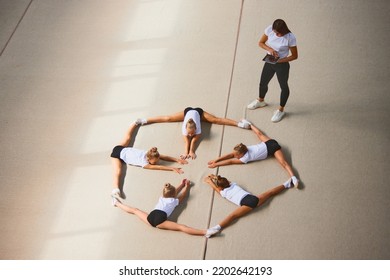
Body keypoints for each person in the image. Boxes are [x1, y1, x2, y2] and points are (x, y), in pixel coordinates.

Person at [135, 107, 252, 159]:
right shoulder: (184, 129)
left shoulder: (198, 129)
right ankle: (144, 120)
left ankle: (240, 124)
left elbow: (194, 140)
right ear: (186, 128)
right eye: (189, 133)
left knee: (216, 120)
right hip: (187, 111)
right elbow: (187, 141)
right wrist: (186, 152)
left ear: (196, 129)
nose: (190, 135)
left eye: (192, 133)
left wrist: (191, 151)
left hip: (198, 112)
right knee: (168, 118)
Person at [112, 179, 215, 237]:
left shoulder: (162, 197)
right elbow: (182, 195)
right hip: (160, 220)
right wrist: (187, 187)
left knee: (135, 210)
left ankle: (116, 203)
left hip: (151, 217)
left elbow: (174, 192)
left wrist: (181, 184)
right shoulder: (175, 201)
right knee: (181, 227)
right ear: (174, 194)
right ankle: (205, 232)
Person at [110, 122, 188, 199]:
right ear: (148, 159)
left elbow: (164, 157)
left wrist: (177, 160)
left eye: (157, 160)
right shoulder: (144, 163)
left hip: (121, 148)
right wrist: (172, 168)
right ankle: (115, 188)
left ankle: (134, 123)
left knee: (127, 138)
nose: (157, 162)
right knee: (118, 170)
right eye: (155, 162)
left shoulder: (150, 153)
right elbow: (159, 167)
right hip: (117, 156)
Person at [207, 123, 298, 187]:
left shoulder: (246, 158)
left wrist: (216, 165)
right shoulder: (244, 148)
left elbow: (230, 161)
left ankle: (293, 177)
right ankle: (250, 124)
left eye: (237, 155)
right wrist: (216, 160)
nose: (235, 156)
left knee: (283, 163)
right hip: (269, 142)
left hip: (273, 149)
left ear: (242, 154)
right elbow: (230, 155)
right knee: (259, 134)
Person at [203, 174, 294, 237]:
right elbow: (223, 182)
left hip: (247, 204)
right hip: (253, 198)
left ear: (221, 188)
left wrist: (208, 180)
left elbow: (214, 187)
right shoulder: (233, 184)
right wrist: (214, 177)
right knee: (270, 193)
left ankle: (216, 228)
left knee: (232, 216)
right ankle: (286, 184)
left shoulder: (224, 193)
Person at [247, 19, 298, 122]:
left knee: (283, 87)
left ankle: (281, 110)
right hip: (270, 60)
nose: (276, 34)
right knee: (263, 83)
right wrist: (270, 50)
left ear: (284, 31)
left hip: (282, 65)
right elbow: (261, 43)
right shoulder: (270, 29)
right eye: (275, 32)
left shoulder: (290, 38)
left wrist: (281, 60)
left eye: (278, 33)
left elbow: (294, 56)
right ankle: (261, 100)